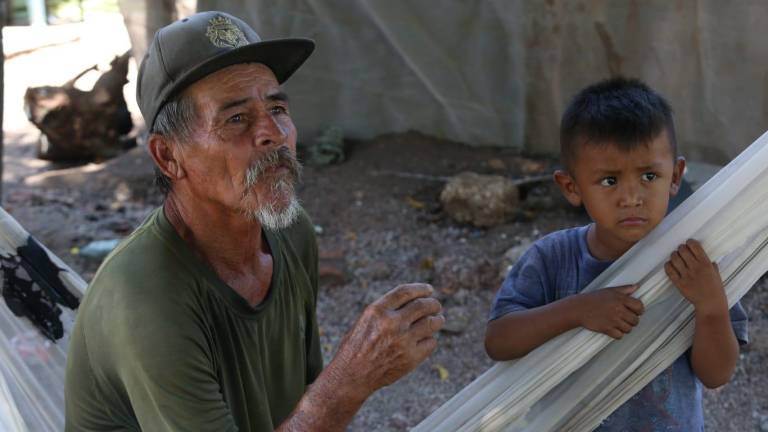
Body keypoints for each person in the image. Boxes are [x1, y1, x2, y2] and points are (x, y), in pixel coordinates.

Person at [65, 11, 444, 431]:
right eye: (237, 118)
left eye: (278, 107)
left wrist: (340, 388)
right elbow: (324, 402)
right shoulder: (145, 298)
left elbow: (303, 407)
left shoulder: (290, 232)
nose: (274, 133)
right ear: (168, 156)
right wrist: (349, 382)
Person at [484, 77, 748, 431]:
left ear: (676, 176)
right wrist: (578, 310)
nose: (631, 197)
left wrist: (711, 306)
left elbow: (716, 375)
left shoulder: (696, 264)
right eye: (609, 181)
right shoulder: (553, 258)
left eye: (649, 176)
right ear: (571, 187)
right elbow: (499, 341)